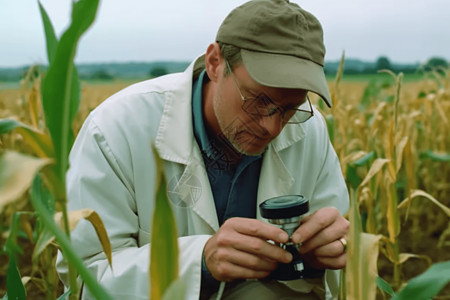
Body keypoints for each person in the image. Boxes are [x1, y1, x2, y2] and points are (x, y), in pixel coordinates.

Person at [56, 0, 349, 299]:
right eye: (258, 101)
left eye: (290, 109)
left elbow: (342, 268)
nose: (272, 128)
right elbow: (84, 274)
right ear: (214, 63)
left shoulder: (310, 132)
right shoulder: (115, 128)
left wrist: (325, 257)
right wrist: (200, 262)